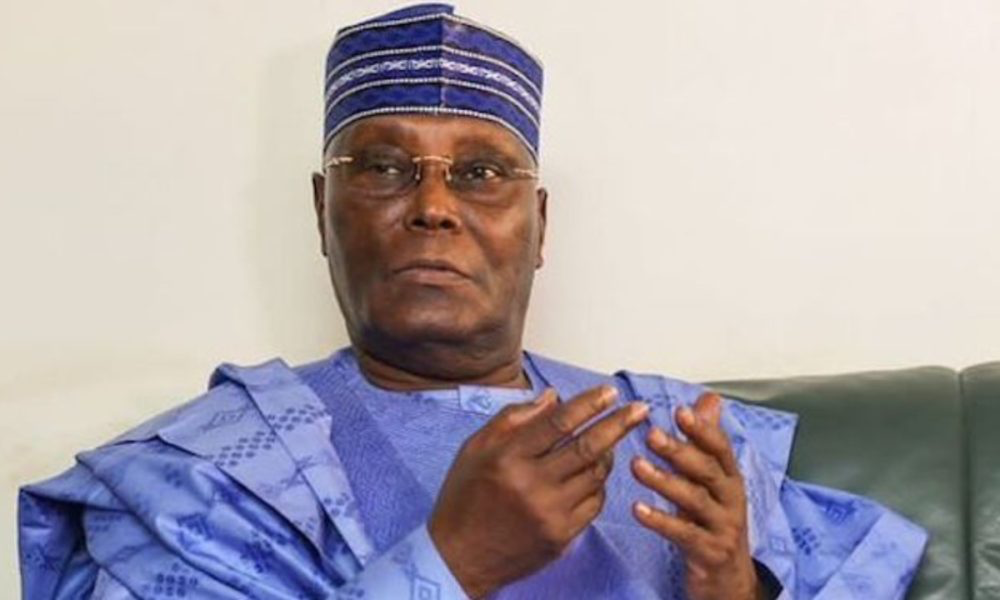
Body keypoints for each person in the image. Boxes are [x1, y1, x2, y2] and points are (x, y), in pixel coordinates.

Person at [18, 4, 927, 599]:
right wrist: (452, 563)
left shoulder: (676, 444)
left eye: (482, 173)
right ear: (323, 212)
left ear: (538, 225)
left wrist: (734, 588)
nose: (434, 206)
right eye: (382, 167)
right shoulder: (205, 474)